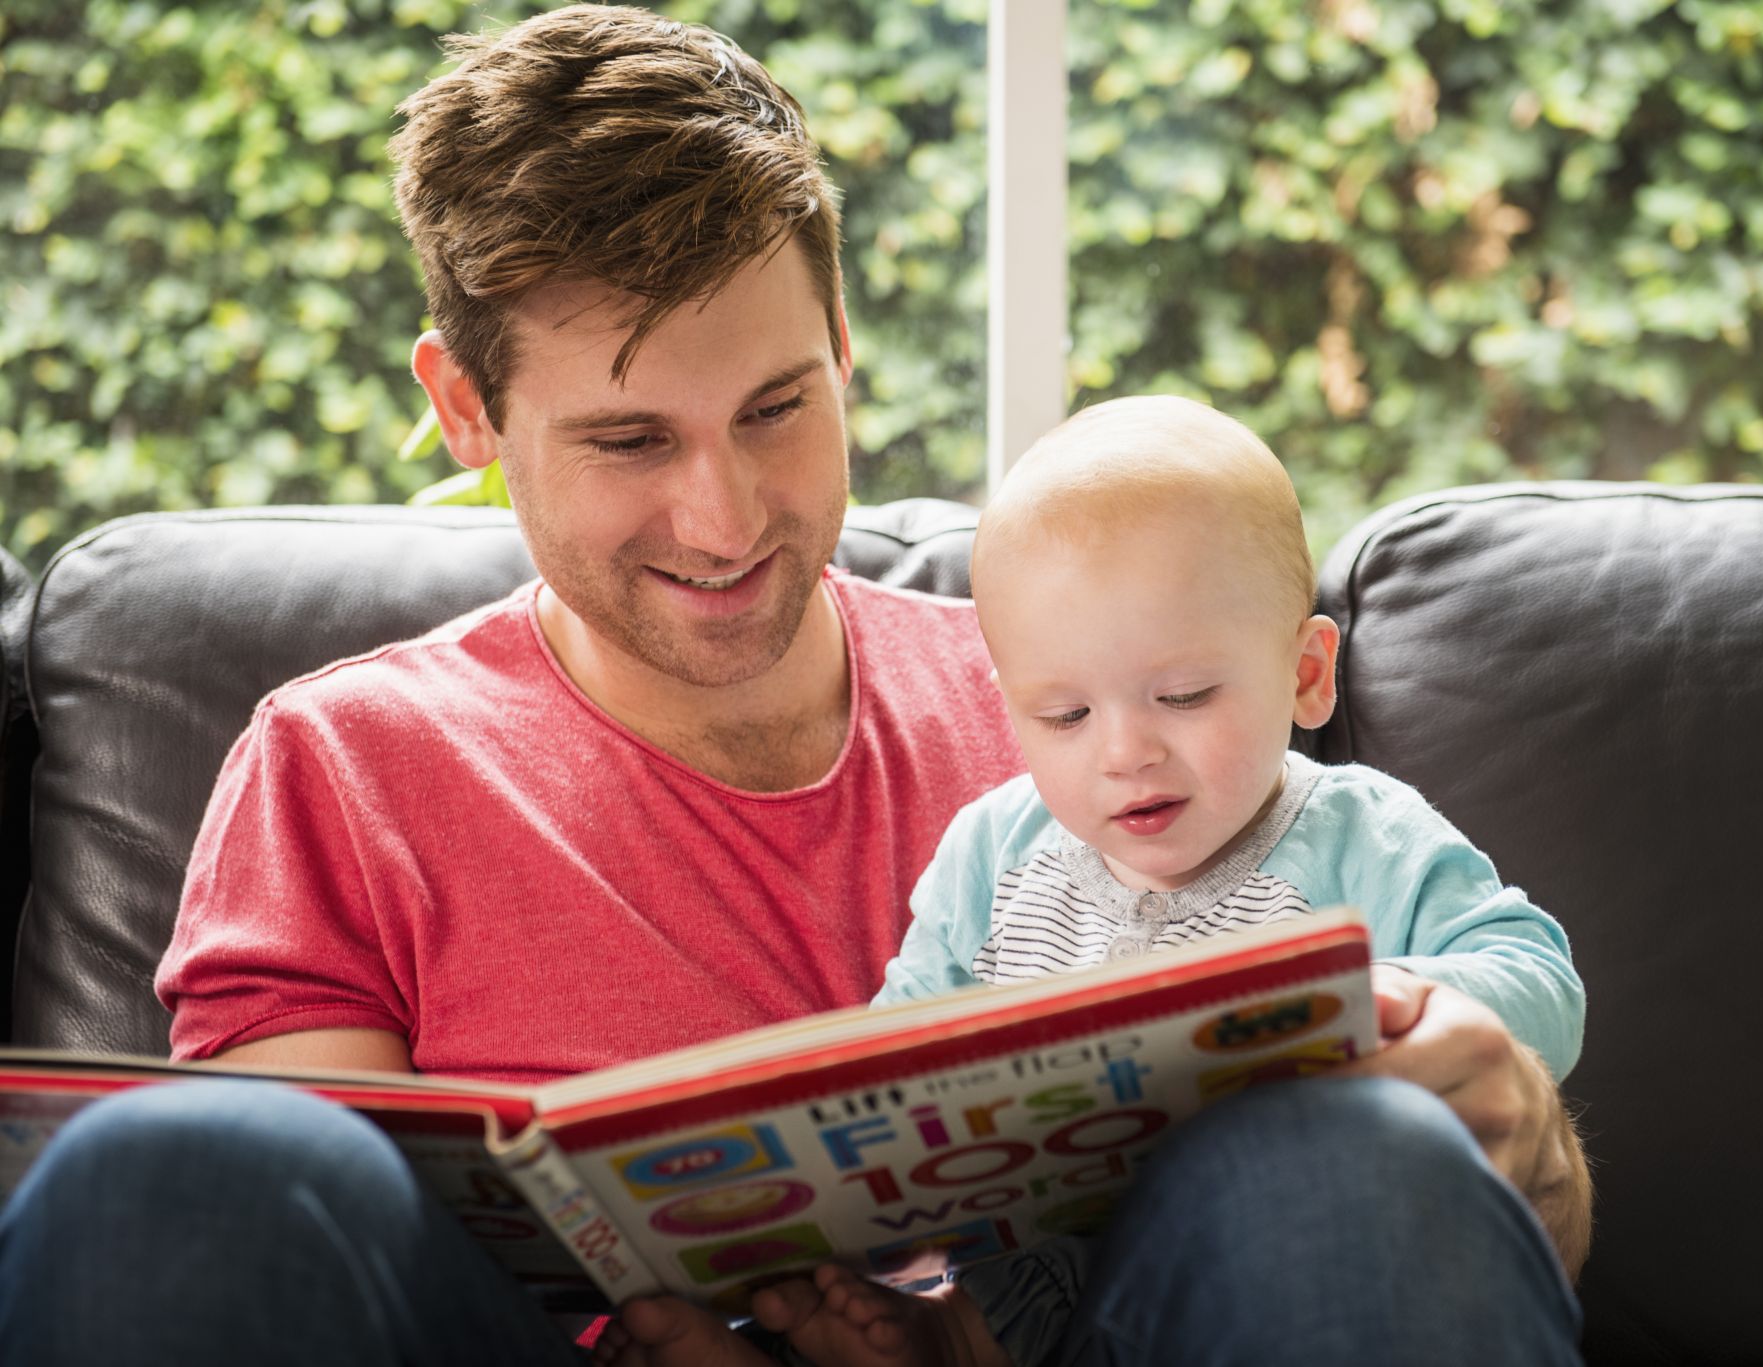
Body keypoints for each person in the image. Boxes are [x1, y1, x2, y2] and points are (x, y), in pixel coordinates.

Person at [0, 8, 1589, 1366]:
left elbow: (1478, 1251)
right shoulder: (346, 768)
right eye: (631, 438)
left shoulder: (1097, 708)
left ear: (842, 338)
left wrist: (1505, 1113)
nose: (728, 515)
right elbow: (297, 1270)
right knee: (174, 1170)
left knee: (1351, 1161)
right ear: (468, 407)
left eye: (776, 405)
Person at [687, 396, 1589, 1367]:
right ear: (1011, 714)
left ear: (1306, 672)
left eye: (1185, 695)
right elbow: (893, 1052)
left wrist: (1399, 1003)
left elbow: (1540, 976)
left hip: (1242, 1280)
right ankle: (947, 1335)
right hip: (1022, 1290)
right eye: (1064, 713)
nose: (1125, 750)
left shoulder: (1361, 832)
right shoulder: (991, 849)